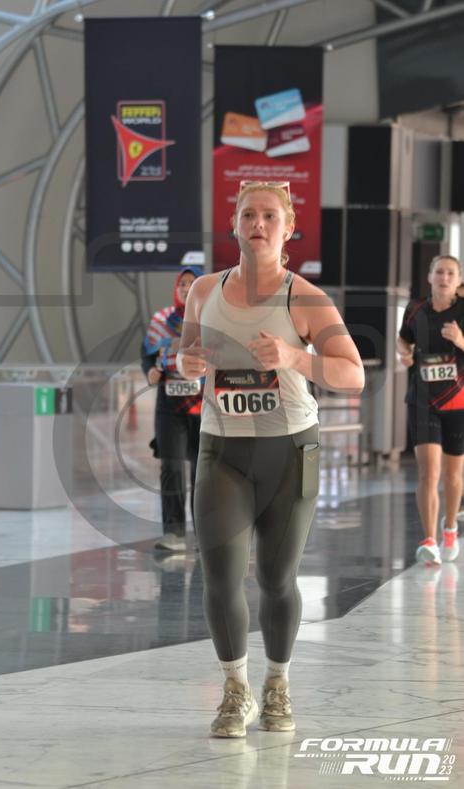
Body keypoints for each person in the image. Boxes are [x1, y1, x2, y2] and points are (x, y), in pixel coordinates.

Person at [176, 181, 364, 738]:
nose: (257, 224)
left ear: (287, 230)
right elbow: (186, 356)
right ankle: (235, 692)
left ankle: (277, 684)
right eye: (248, 215)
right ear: (234, 224)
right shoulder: (203, 290)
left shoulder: (306, 298)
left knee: (277, 579)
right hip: (222, 449)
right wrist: (188, 365)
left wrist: (293, 357)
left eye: (269, 216)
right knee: (220, 576)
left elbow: (352, 374)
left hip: (289, 450)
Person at [397, 254, 464, 566]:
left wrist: (460, 340)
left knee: (452, 474)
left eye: (450, 273)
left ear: (458, 280)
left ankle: (449, 527)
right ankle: (429, 540)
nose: (444, 277)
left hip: (458, 403)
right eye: (439, 272)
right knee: (428, 472)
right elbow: (403, 341)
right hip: (422, 401)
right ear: (429, 276)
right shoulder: (415, 310)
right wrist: (404, 354)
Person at [141, 267, 203, 552]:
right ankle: (174, 534)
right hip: (169, 406)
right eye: (182, 284)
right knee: (172, 467)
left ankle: (205, 536)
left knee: (203, 473)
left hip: (205, 407)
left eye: (192, 283)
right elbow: (147, 355)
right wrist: (150, 371)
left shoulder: (211, 319)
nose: (186, 289)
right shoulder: (161, 320)